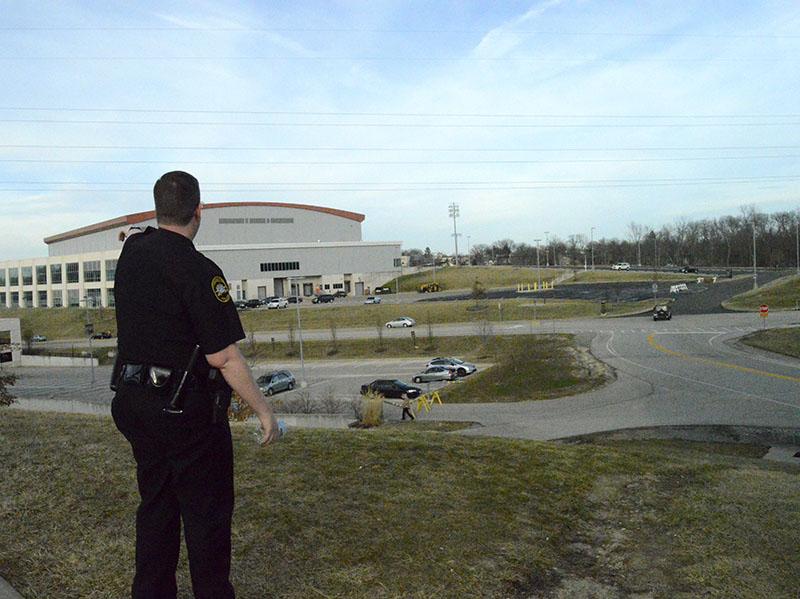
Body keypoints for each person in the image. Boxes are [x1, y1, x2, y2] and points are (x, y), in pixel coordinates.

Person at [111, 171, 280, 599]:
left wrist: (136, 231)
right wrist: (264, 411)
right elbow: (222, 356)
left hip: (135, 404)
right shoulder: (201, 271)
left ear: (156, 209)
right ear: (199, 210)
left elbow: (134, 234)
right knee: (206, 518)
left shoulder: (133, 251)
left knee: (156, 507)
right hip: (185, 414)